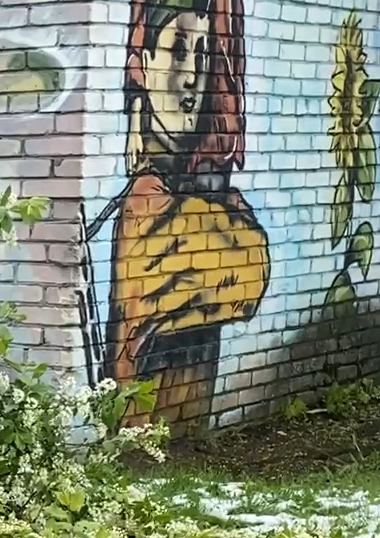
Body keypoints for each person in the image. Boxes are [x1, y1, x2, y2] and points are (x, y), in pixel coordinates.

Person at [98, 0, 270, 426]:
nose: (193, 75)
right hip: (141, 434)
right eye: (177, 50)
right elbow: (246, 273)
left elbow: (249, 273)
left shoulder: (192, 198)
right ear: (145, 63)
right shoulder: (147, 203)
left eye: (204, 52)